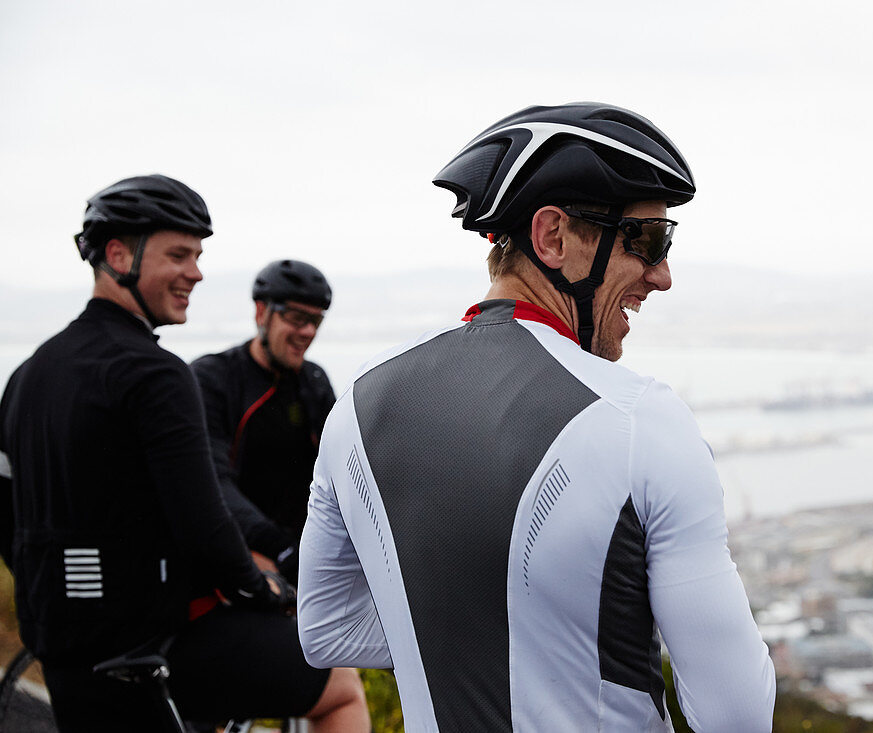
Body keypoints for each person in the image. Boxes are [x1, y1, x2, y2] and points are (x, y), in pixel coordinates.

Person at [297, 103, 776, 731]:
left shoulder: (358, 405)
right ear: (553, 237)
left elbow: (326, 630)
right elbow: (735, 712)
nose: (661, 276)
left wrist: (490, 639)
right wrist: (558, 640)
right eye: (648, 239)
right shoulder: (641, 420)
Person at [0, 175, 369, 732]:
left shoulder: (28, 374)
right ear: (118, 254)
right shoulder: (156, 373)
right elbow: (203, 517)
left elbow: (8, 509)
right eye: (179, 255)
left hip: (65, 652)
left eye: (197, 256)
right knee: (339, 686)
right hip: (152, 647)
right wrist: (258, 584)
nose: (196, 272)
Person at [191, 260, 336, 583]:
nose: (308, 332)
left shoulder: (314, 382)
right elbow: (212, 480)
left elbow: (338, 473)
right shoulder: (214, 379)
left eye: (316, 321)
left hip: (304, 552)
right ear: (261, 313)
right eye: (297, 319)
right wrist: (278, 547)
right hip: (240, 549)